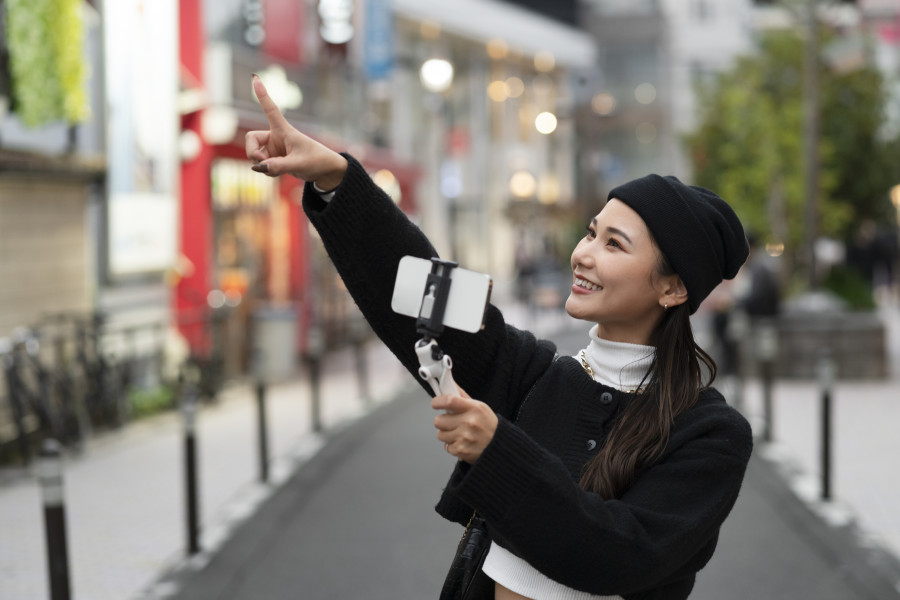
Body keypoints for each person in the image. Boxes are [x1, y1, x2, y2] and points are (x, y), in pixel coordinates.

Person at [246, 75, 752, 600]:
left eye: (615, 245)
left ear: (672, 288)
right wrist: (336, 177)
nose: (583, 253)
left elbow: (620, 554)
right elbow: (419, 283)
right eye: (590, 231)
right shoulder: (530, 371)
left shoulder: (711, 433)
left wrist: (497, 451)